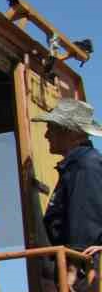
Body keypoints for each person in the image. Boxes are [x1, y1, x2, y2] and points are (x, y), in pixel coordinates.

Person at [35, 97, 102, 254]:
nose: (46, 135)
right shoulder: (77, 164)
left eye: (51, 128)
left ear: (71, 133)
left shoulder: (84, 165)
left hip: (81, 271)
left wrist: (73, 269)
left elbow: (84, 226)